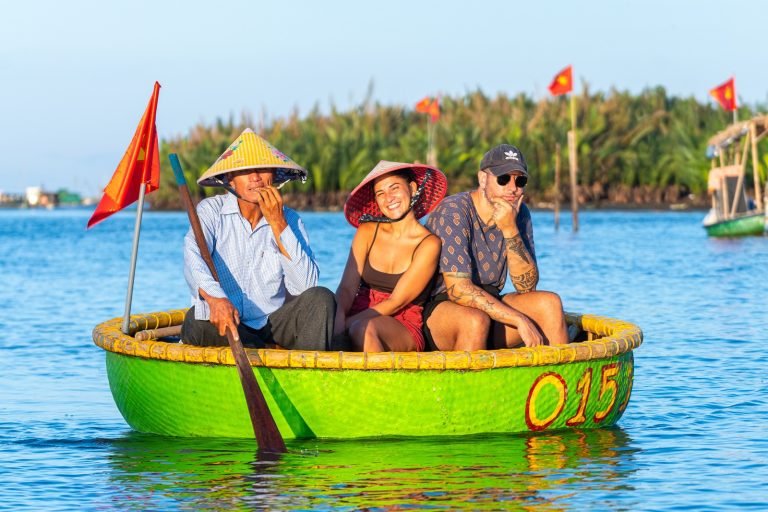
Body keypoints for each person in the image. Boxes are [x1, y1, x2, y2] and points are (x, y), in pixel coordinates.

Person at [181, 128, 335, 351]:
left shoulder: (290, 219)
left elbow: (306, 286)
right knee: (197, 321)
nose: (255, 178)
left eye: (262, 169)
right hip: (225, 319)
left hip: (271, 323)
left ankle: (303, 374)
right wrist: (216, 299)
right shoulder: (211, 211)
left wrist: (277, 223)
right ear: (230, 180)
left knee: (321, 298)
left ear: (273, 176)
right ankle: (267, 349)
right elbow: (193, 260)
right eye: (245, 171)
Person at [423, 144, 569, 351]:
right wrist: (518, 319)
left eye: (520, 180)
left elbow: (526, 287)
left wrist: (510, 229)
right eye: (503, 179)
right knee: (475, 320)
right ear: (483, 179)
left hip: (491, 301)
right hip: (443, 309)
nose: (512, 188)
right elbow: (458, 290)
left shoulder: (519, 212)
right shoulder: (453, 211)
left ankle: (558, 379)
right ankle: (467, 382)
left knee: (550, 303)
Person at [334, 160, 447, 352]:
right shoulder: (367, 232)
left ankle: (380, 382)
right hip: (357, 312)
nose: (389, 198)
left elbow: (397, 302)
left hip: (401, 322)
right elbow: (346, 288)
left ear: (412, 188)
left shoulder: (429, 244)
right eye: (380, 193)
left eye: (394, 188)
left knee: (364, 329)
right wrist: (337, 320)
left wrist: (347, 324)